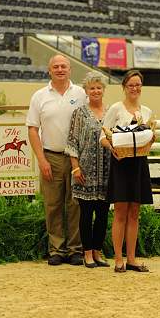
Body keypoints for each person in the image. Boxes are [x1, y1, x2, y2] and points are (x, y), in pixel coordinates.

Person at [27, 55, 87, 266]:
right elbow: (33, 130)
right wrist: (41, 160)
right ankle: (56, 250)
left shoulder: (81, 94)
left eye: (64, 66)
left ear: (70, 70)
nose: (60, 69)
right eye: (56, 66)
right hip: (50, 156)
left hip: (76, 159)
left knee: (75, 204)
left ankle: (74, 250)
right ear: (49, 70)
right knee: (52, 205)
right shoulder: (39, 96)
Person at [100, 70, 154, 273]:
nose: (135, 88)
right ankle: (118, 259)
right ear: (124, 87)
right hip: (121, 163)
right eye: (131, 85)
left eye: (138, 84)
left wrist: (151, 139)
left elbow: (148, 137)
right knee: (121, 212)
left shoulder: (147, 112)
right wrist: (111, 147)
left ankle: (132, 258)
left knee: (135, 213)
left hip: (139, 163)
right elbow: (103, 136)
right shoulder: (116, 108)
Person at [65, 71, 111, 268]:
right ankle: (87, 253)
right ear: (86, 90)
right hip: (85, 172)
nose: (95, 91)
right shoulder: (79, 113)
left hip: (108, 172)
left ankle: (98, 251)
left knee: (102, 214)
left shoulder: (111, 112)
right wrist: (75, 168)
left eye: (99, 87)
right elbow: (72, 141)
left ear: (104, 90)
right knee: (86, 213)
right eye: (92, 88)